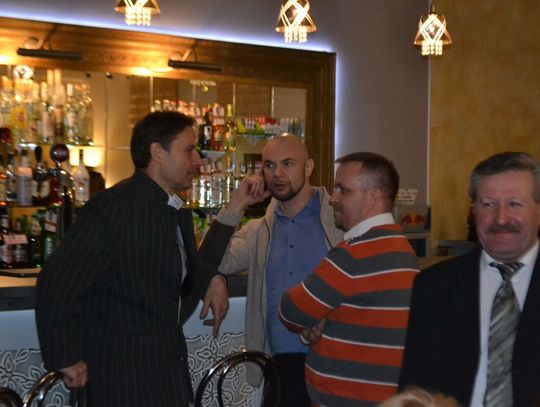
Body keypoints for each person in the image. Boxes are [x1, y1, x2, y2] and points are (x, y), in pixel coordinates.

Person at [35, 111, 229, 406]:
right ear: (157, 153)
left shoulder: (175, 210)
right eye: (189, 150)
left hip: (165, 375)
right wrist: (64, 356)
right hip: (120, 379)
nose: (199, 160)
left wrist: (213, 278)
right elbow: (57, 279)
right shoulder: (113, 206)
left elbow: (181, 268)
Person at [199, 134, 343, 406]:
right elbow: (209, 260)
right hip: (279, 366)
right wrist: (237, 205)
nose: (277, 173)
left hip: (334, 362)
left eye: (288, 164)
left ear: (308, 167)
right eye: (269, 165)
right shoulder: (259, 231)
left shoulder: (338, 220)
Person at [399, 152, 540, 407]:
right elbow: (415, 390)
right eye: (488, 204)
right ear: (474, 211)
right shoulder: (433, 287)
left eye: (514, 204)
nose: (501, 218)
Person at [279, 152, 419, 406]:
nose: (333, 198)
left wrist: (315, 324)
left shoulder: (352, 254)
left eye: (343, 190)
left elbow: (290, 311)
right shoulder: (404, 249)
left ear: (373, 196)